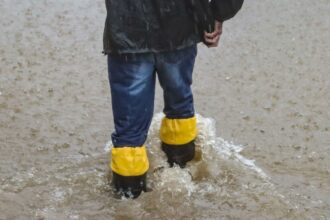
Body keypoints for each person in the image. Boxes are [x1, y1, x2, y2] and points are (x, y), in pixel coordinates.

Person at [103, 0, 244, 198]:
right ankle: (181, 175)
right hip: (179, 25)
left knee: (129, 135)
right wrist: (216, 14)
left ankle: (126, 200)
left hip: (127, 30)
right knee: (179, 108)